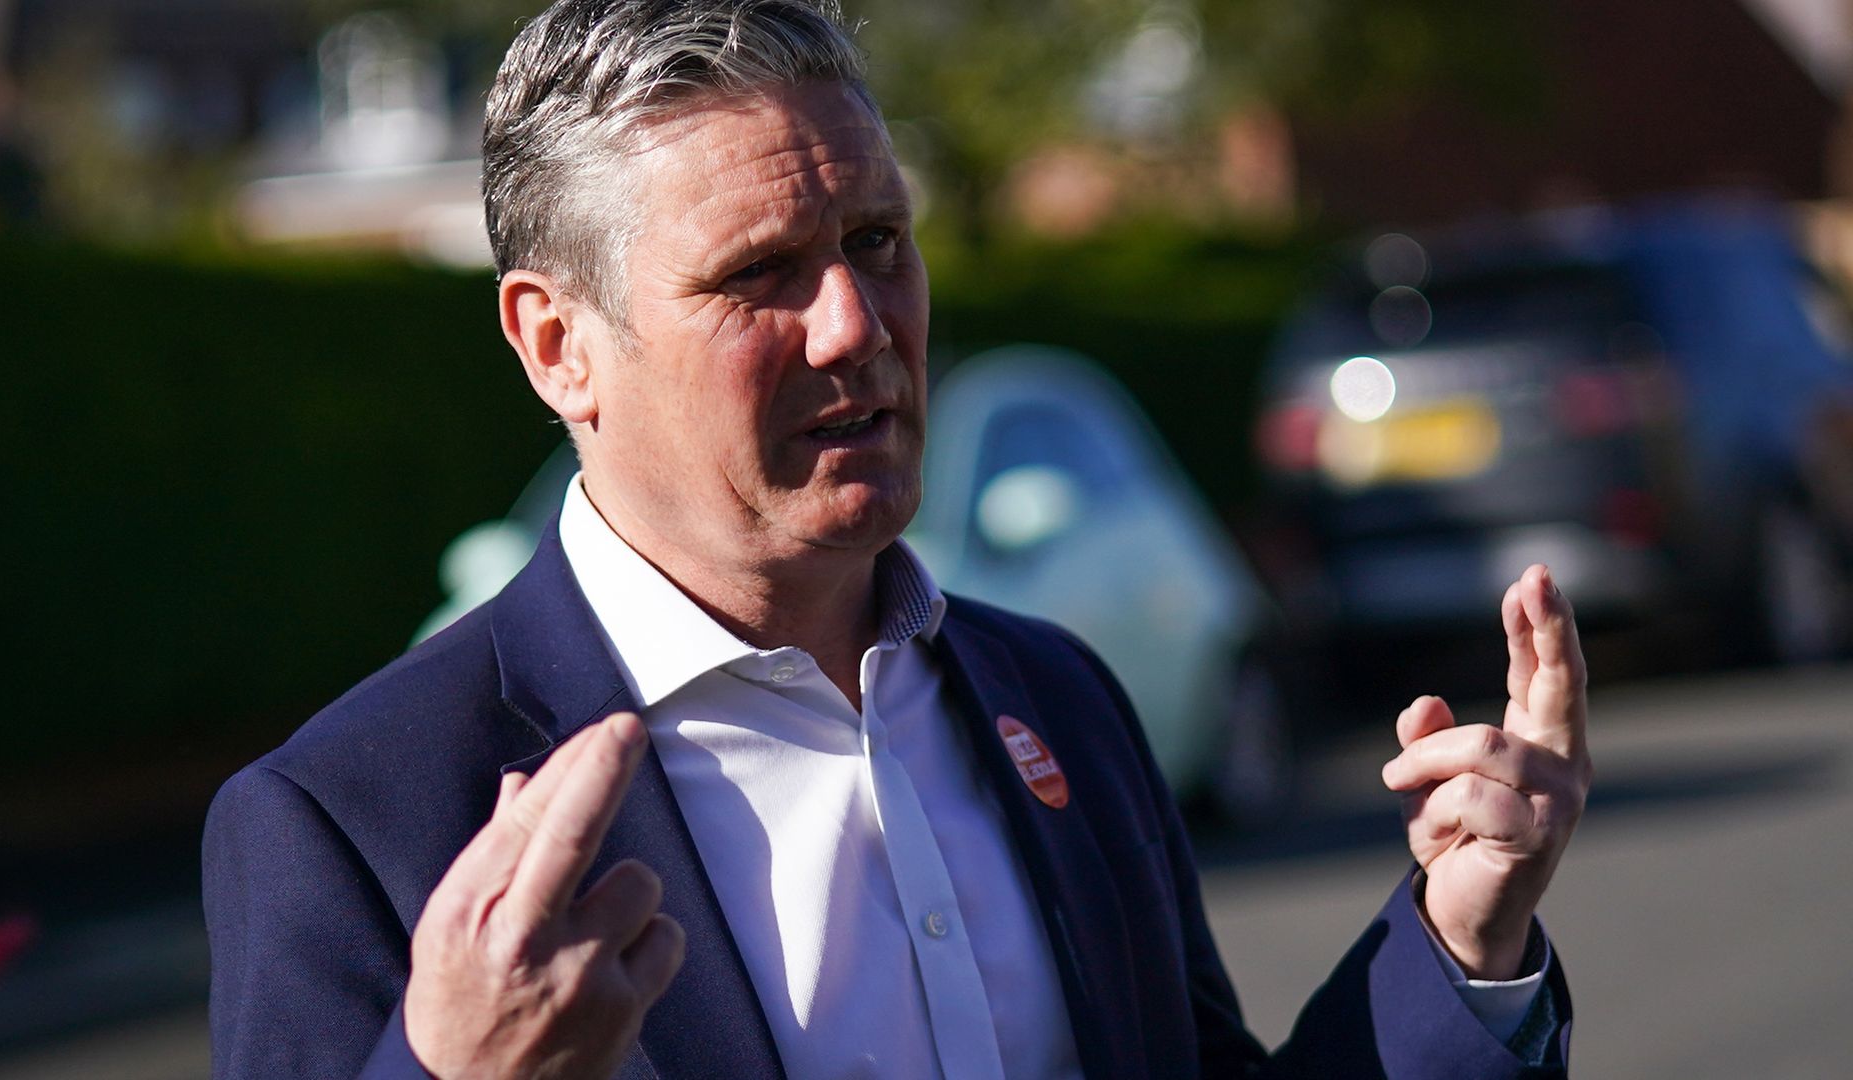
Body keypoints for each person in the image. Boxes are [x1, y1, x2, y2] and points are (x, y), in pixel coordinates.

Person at [201, 2, 1592, 1077]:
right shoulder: (356, 824)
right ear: (559, 344)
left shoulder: (1053, 697)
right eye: (760, 274)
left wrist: (1460, 942)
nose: (858, 327)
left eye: (877, 243)